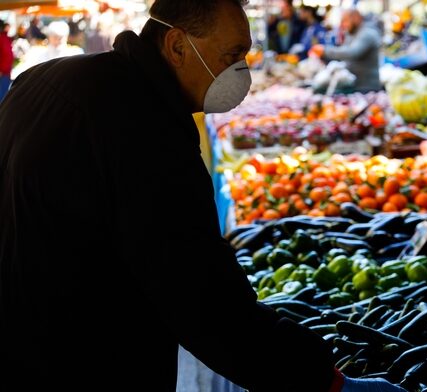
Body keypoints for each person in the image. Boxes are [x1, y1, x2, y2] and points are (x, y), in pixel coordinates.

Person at [0, 0, 406, 391]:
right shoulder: (146, 130)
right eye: (232, 54)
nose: (240, 70)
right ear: (177, 45)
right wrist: (323, 381)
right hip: (83, 359)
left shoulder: (47, 77)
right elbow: (200, 294)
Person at [309, 8, 382, 92]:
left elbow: (351, 52)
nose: (343, 25)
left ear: (356, 18)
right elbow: (343, 53)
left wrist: (325, 51)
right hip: (353, 85)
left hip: (366, 88)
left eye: (345, 21)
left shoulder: (368, 33)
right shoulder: (351, 33)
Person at [11, 20, 84, 80]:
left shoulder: (75, 53)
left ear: (66, 37)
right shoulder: (37, 52)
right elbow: (21, 70)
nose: (58, 41)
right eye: (55, 37)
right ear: (49, 37)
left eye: (61, 37)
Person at [0, 20, 13, 102]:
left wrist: (1, 70)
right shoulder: (3, 38)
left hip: (3, 73)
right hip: (4, 72)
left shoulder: (2, 38)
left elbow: (7, 55)